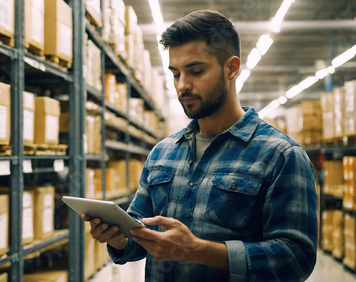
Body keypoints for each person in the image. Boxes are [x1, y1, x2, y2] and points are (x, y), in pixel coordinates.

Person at [81, 9, 318, 281]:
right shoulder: (162, 153)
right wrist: (119, 239)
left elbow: (296, 257)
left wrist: (198, 251)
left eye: (196, 71)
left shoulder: (281, 155)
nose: (182, 85)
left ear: (231, 68)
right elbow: (139, 235)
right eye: (175, 73)